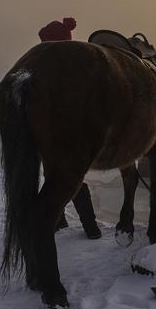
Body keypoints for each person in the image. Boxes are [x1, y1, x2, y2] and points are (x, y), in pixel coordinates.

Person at [38, 16, 101, 239]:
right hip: (58, 132)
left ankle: (90, 228)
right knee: (57, 175)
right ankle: (64, 221)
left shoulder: (69, 67)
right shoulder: (77, 63)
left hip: (66, 132)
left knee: (68, 178)